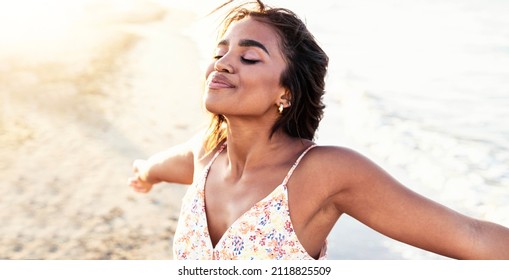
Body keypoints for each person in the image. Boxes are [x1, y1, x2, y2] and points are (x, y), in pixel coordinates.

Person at [128, 0, 509, 260]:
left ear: (286, 93)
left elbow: (470, 236)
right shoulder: (207, 154)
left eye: (248, 56)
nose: (223, 63)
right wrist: (144, 173)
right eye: (219, 53)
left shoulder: (323, 173)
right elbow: (164, 165)